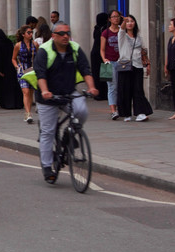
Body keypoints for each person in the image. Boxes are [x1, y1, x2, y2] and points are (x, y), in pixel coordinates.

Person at [32, 22, 98, 183]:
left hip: (68, 91)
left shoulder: (75, 48)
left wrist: (91, 87)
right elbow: (40, 74)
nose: (66, 36)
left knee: (81, 110)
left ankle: (68, 135)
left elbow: (85, 69)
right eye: (62, 34)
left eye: (68, 33)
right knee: (48, 131)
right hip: (48, 96)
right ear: (54, 36)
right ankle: (48, 167)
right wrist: (46, 91)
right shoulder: (44, 51)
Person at [116, 14, 152, 122]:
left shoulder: (139, 37)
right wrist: (123, 21)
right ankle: (127, 114)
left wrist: (148, 64)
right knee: (125, 90)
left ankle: (140, 113)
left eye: (132, 21)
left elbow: (144, 51)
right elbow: (121, 29)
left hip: (138, 66)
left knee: (138, 90)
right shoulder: (122, 35)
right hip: (125, 65)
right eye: (128, 21)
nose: (130, 23)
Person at [0, 28, 23, 109]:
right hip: (11, 66)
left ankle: (8, 103)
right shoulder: (8, 42)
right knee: (13, 85)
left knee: (5, 86)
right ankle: (17, 103)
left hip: (4, 67)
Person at [12, 24, 38, 123]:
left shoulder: (35, 44)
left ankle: (28, 112)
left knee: (31, 92)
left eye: (32, 32)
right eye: (29, 32)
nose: (31, 34)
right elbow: (13, 59)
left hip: (32, 71)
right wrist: (16, 66)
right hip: (22, 71)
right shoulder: (18, 45)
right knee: (26, 91)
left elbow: (38, 57)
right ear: (23, 34)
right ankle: (28, 113)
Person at [100, 10, 122, 120]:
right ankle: (113, 110)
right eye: (113, 17)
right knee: (112, 86)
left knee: (121, 86)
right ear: (109, 19)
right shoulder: (105, 33)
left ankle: (120, 107)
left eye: (117, 16)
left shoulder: (122, 31)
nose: (116, 18)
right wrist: (104, 60)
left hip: (121, 61)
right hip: (109, 62)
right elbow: (102, 49)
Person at [90, 13, 109, 101]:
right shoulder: (105, 29)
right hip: (103, 53)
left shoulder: (96, 28)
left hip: (95, 53)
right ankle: (104, 93)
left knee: (97, 74)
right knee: (105, 74)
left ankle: (99, 93)